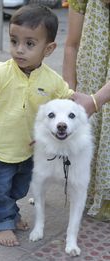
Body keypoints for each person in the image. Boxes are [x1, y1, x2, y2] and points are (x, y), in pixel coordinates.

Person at [0, 4, 104, 247]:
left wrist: (90, 104)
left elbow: (68, 100)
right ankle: (2, 221)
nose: (19, 50)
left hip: (27, 150)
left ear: (49, 48)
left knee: (19, 187)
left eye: (30, 44)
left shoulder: (51, 80)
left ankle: (12, 211)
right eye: (14, 41)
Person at [63, 0, 110, 221]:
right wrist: (69, 95)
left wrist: (95, 101)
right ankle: (94, 192)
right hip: (91, 79)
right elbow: (72, 45)